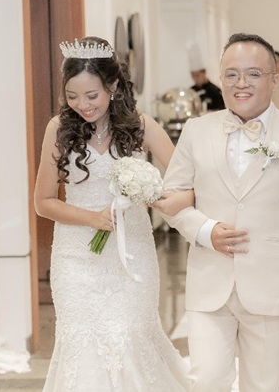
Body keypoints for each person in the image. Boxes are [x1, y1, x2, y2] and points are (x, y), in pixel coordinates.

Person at [155, 33, 279, 391]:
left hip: (270, 283)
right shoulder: (196, 130)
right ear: (220, 78)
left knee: (264, 385)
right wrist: (205, 230)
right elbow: (171, 199)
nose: (241, 83)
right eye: (231, 74)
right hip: (209, 282)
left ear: (275, 79)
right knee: (206, 381)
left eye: (253, 74)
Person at [34, 36, 191, 391]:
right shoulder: (58, 129)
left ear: (114, 86)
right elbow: (43, 202)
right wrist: (91, 218)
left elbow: (185, 178)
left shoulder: (140, 125)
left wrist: (157, 197)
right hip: (76, 258)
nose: (83, 106)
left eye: (92, 96)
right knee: (83, 343)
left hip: (131, 255)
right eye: (73, 96)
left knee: (130, 335)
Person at [188, 40, 225, 111]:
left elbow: (221, 111)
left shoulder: (215, 91)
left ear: (204, 72)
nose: (195, 79)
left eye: (197, 75)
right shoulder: (191, 91)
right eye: (193, 76)